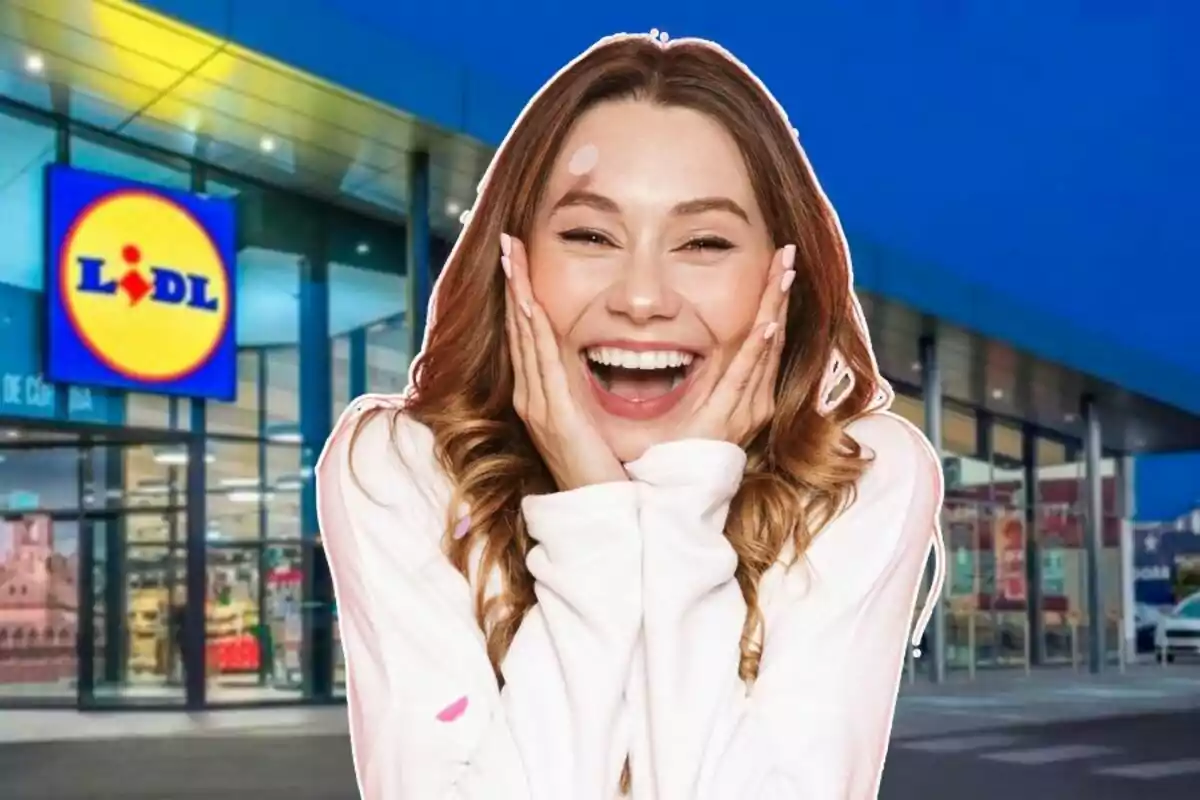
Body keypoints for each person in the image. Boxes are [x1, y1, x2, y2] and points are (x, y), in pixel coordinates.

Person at [317, 32, 945, 800]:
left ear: (781, 278)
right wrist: (594, 516)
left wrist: (682, 506)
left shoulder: (858, 479)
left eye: (705, 242)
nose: (642, 298)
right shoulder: (402, 470)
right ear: (513, 259)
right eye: (589, 235)